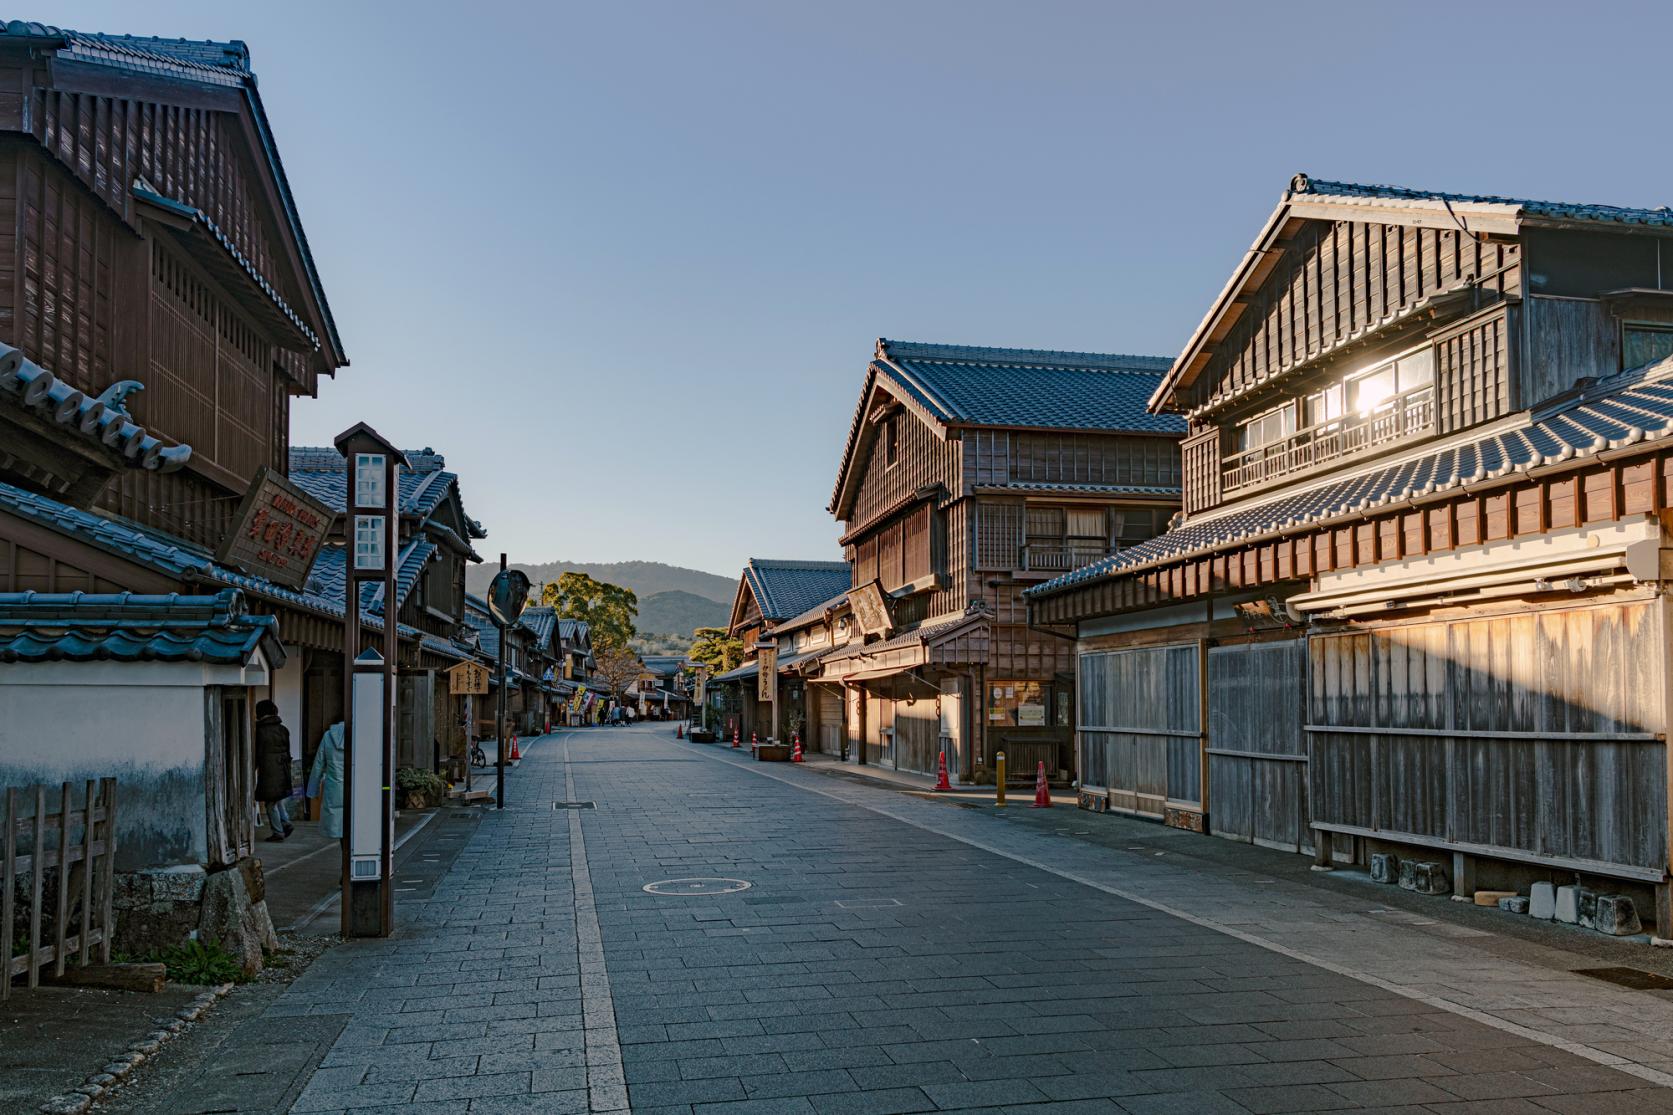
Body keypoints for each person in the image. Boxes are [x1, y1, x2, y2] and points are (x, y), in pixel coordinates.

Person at [254, 700, 295, 842]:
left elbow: (256, 754)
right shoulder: (283, 730)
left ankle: (278, 832)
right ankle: (285, 822)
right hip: (282, 768)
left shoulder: (259, 731)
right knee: (277, 799)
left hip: (268, 770)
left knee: (270, 803)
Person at [306, 721, 346, 840]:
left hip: (334, 787)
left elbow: (319, 763)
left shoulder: (329, 736)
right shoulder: (360, 736)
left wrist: (313, 790)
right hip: (357, 787)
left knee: (339, 826)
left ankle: (344, 851)